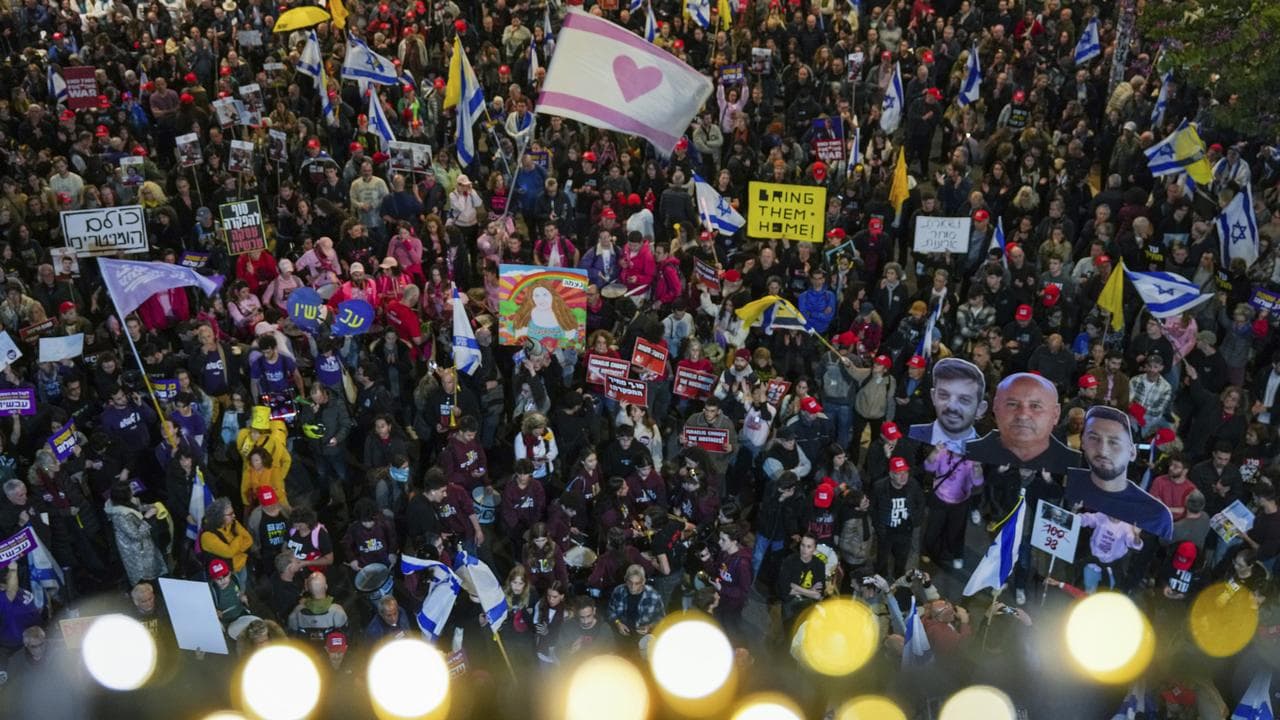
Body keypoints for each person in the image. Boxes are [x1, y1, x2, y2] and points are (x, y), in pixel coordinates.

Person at [1064, 405, 1174, 541]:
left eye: (1113, 442)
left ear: (1132, 452)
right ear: (1083, 444)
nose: (1103, 451)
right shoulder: (1072, 483)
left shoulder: (1156, 515)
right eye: (1094, 438)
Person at [964, 372, 1082, 472]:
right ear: (995, 407)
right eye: (1012, 404)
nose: (1023, 415)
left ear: (1056, 413)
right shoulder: (969, 452)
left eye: (1035, 406)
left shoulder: (1074, 464)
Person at [908, 357, 989, 450]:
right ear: (933, 396)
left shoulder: (986, 454)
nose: (951, 406)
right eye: (944, 395)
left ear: (980, 409)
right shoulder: (911, 436)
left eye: (964, 399)